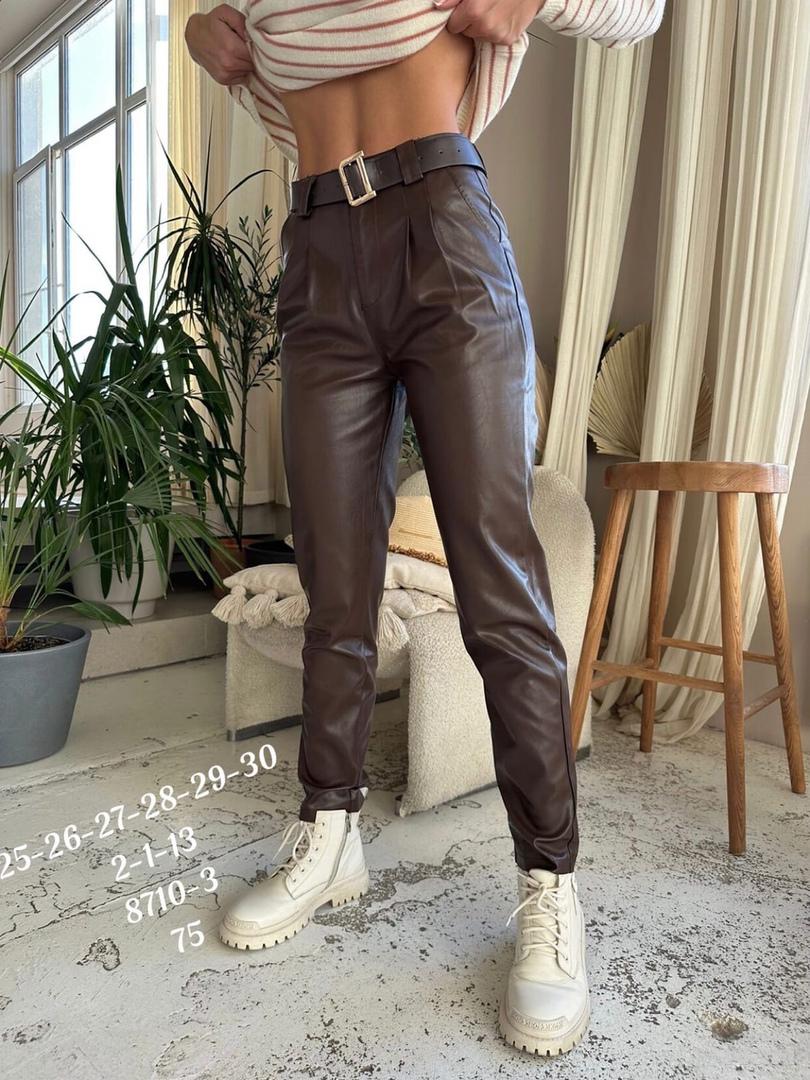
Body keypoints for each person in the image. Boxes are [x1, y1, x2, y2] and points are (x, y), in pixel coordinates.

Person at [185, 0, 665, 1057]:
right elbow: (278, 83)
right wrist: (209, 41)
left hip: (444, 223)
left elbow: (643, 12)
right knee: (333, 583)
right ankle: (330, 833)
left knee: (501, 590)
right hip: (317, 247)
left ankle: (549, 884)